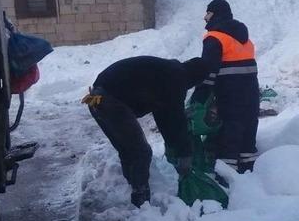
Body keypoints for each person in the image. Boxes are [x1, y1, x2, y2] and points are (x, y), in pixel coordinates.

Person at [82, 56, 208, 207]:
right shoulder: (176, 78)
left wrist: (174, 144)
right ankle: (141, 201)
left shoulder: (166, 74)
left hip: (96, 99)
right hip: (109, 102)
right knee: (141, 152)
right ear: (195, 78)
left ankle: (133, 191)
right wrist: (185, 153)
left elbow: (164, 118)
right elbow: (176, 119)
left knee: (127, 149)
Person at [191, 0, 260, 173]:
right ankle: (250, 172)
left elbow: (207, 71)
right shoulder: (244, 38)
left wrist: (199, 96)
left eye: (208, 13)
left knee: (229, 131)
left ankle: (227, 177)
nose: (205, 17)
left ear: (215, 14)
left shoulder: (215, 38)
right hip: (250, 92)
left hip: (229, 93)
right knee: (248, 130)